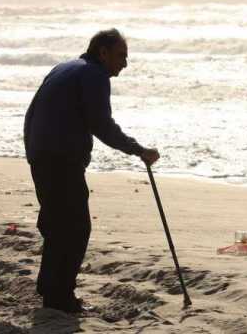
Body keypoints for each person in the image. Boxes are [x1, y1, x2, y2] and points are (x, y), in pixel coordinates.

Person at [23, 28, 160, 313]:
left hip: (41, 154)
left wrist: (33, 154)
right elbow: (102, 126)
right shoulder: (94, 75)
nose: (125, 63)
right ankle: (60, 297)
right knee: (75, 228)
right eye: (121, 55)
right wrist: (138, 150)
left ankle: (50, 288)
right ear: (103, 52)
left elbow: (31, 113)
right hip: (60, 159)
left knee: (57, 225)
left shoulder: (65, 67)